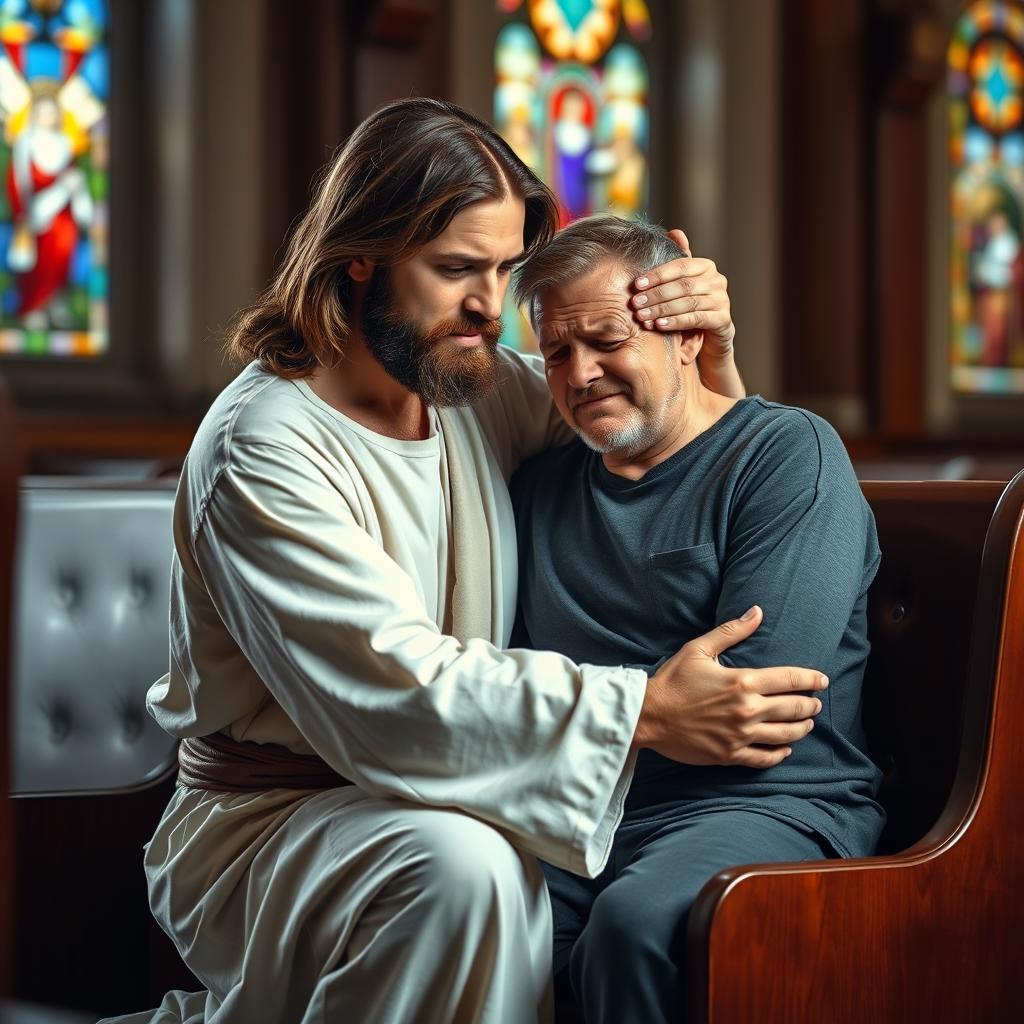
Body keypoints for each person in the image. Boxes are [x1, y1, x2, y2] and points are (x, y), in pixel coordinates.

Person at [104, 99, 827, 1024]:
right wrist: (642, 709)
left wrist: (702, 355)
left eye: (503, 268)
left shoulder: (469, 385)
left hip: (451, 793)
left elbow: (645, 417)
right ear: (358, 257)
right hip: (271, 828)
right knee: (470, 871)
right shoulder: (267, 447)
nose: (491, 306)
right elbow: (396, 691)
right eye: (455, 270)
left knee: (507, 867)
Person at [510, 214, 886, 1024]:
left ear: (684, 335)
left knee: (637, 924)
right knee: (461, 911)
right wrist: (655, 704)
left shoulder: (788, 452)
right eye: (556, 352)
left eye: (607, 340)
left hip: (773, 806)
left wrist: (591, 709)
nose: (582, 373)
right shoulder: (536, 489)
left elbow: (759, 701)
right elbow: (504, 668)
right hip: (589, 810)